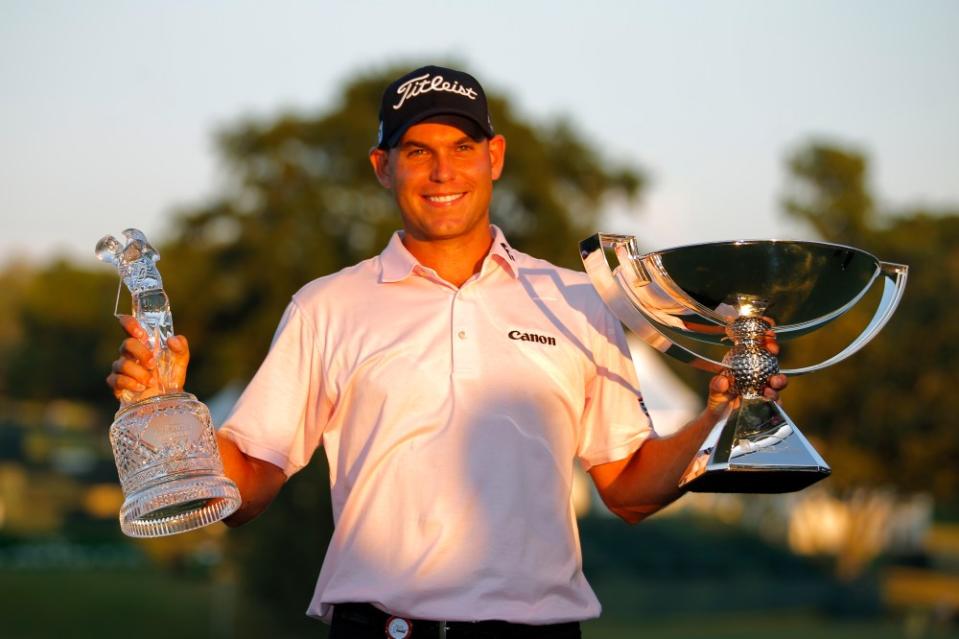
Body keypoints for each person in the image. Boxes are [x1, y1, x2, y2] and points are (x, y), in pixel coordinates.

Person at [108, 65, 786, 638]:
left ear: (494, 155)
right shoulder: (329, 305)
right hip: (383, 626)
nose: (442, 172)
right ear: (383, 167)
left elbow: (630, 487)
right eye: (417, 151)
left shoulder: (578, 299)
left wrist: (718, 421)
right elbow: (251, 482)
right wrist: (171, 413)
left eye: (461, 147)